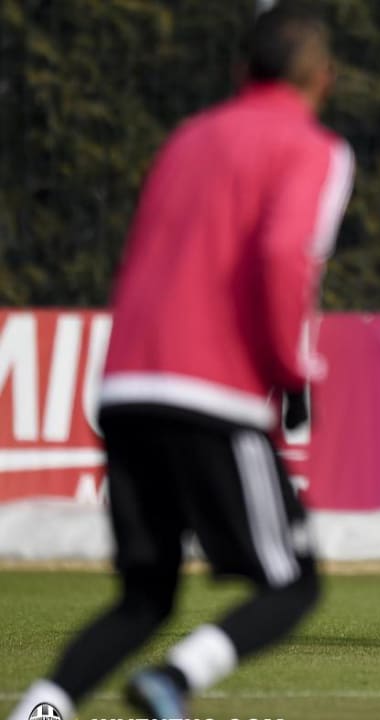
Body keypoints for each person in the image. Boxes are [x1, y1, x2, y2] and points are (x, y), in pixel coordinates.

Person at [6, 4, 353, 719]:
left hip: (125, 384)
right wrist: (292, 370)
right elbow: (285, 254)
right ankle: (173, 679)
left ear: (239, 68)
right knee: (292, 583)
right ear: (325, 78)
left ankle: (41, 708)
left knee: (145, 595)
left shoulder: (188, 136)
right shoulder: (314, 148)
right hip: (211, 390)